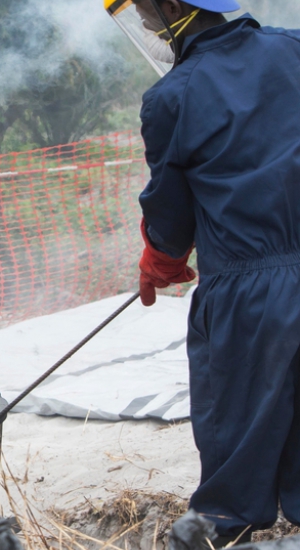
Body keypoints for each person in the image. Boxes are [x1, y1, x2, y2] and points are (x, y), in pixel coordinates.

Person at [106, 0, 300, 545]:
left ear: (173, 7)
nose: (144, 21)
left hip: (249, 295)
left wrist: (159, 261)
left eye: (145, 8)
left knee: (233, 469)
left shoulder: (172, 97)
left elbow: (169, 216)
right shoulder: (294, 49)